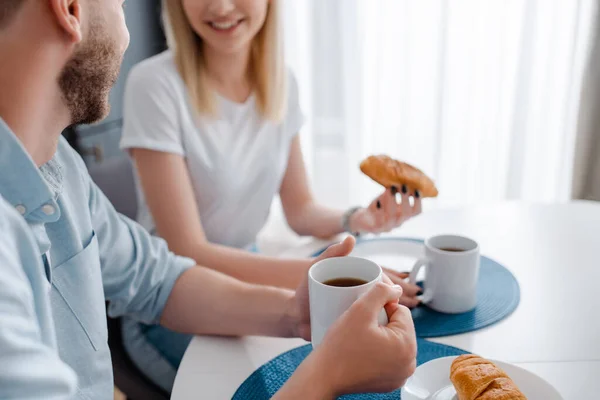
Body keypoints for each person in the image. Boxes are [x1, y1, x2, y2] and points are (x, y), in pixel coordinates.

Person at [0, 1, 417, 399]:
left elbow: (156, 280)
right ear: (70, 8)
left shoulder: (63, 168)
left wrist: (297, 312)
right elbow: (184, 251)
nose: (126, 30)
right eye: (121, 4)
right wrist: (327, 374)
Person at [119, 0, 423, 389]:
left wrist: (356, 219)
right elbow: (188, 250)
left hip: (250, 270)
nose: (222, 7)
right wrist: (326, 279)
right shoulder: (154, 85)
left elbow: (300, 210)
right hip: (169, 302)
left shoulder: (280, 81)